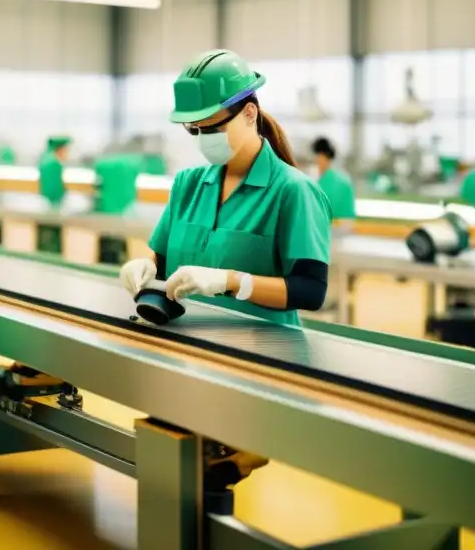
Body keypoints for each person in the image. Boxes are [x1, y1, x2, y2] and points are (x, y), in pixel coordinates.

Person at [117, 50, 332, 512]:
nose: (201, 138)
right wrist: (143, 265)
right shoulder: (189, 184)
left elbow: (312, 290)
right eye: (193, 130)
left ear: (248, 112)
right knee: (169, 467)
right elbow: (160, 254)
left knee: (198, 485)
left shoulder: (293, 191)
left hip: (256, 364)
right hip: (186, 356)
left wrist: (235, 281)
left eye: (211, 126)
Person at [37, 136, 70, 254]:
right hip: (53, 207)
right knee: (51, 242)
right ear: (60, 149)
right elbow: (55, 190)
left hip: (45, 206)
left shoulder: (46, 161)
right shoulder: (54, 164)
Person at [311, 136, 356, 223]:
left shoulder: (333, 181)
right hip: (342, 225)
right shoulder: (343, 179)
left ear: (322, 156)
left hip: (332, 225)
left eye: (319, 156)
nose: (317, 159)